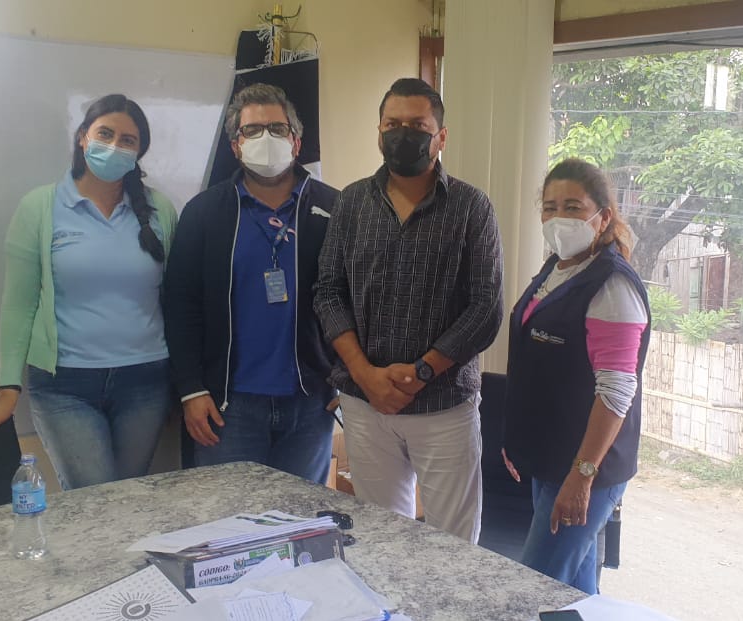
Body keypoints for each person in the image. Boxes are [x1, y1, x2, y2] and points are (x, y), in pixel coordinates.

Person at [314, 78, 504, 542]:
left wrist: (421, 372)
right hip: (366, 403)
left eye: (418, 126)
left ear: (441, 136)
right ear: (379, 132)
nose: (404, 135)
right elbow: (328, 292)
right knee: (382, 536)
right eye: (392, 124)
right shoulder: (351, 202)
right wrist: (365, 375)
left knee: (452, 543)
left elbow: (485, 307)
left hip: (444, 405)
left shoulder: (471, 207)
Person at [0, 94, 178, 490]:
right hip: (65, 387)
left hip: (146, 383)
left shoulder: (159, 210)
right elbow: (19, 305)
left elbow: (177, 300)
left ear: (139, 152)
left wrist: (188, 386)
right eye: (105, 134)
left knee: (130, 498)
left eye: (127, 140)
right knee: (95, 499)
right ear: (83, 137)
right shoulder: (40, 207)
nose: (114, 146)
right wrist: (7, 390)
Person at [163, 84, 339, 484]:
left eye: (277, 129)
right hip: (228, 405)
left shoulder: (335, 208)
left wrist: (345, 379)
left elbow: (356, 300)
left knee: (300, 517)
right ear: (236, 145)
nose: (266, 138)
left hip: (311, 403)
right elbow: (180, 305)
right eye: (253, 130)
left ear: (296, 141)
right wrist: (191, 390)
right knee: (230, 518)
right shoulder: (204, 212)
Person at [501, 157, 651, 594]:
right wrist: (518, 439)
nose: (558, 218)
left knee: (534, 587)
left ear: (603, 217)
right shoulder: (556, 269)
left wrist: (582, 476)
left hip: (585, 469)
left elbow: (617, 391)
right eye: (550, 208)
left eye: (573, 207)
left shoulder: (612, 286)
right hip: (550, 460)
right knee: (575, 593)